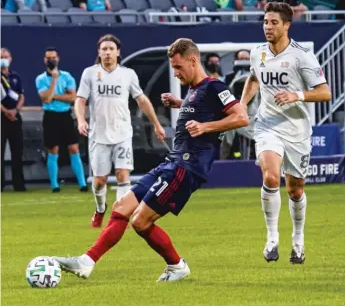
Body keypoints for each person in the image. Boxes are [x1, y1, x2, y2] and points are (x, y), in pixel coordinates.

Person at [52, 38, 249, 282]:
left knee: (140, 221)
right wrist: (180, 103)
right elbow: (201, 110)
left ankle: (176, 266)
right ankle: (86, 261)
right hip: (172, 162)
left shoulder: (215, 87)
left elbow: (241, 117)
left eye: (178, 67)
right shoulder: (194, 91)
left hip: (187, 167)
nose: (175, 73)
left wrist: (205, 126)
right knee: (121, 207)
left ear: (193, 60)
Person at [241, 2, 331, 264]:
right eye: (265, 22)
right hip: (268, 125)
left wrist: (297, 95)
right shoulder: (257, 52)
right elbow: (254, 78)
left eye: (274, 23)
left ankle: (298, 240)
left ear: (287, 25)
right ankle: (271, 239)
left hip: (297, 131)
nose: (268, 27)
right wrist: (242, 104)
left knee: (295, 190)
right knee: (270, 177)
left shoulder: (301, 55)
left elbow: (325, 92)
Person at [74, 34, 165, 228]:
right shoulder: (89, 73)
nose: (107, 52)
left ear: (118, 52)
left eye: (111, 49)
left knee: (123, 175)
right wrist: (81, 120)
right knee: (100, 180)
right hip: (98, 135)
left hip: (123, 133)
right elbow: (80, 100)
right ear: (99, 52)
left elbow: (141, 99)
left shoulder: (128, 74)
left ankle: (119, 218)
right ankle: (100, 209)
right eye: (104, 49)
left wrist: (156, 124)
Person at [35, 47, 87, 193]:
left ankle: (82, 183)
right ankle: (54, 185)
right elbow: (45, 98)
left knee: (74, 148)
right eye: (48, 58)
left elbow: (72, 97)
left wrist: (54, 96)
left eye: (53, 57)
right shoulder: (41, 79)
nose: (51, 60)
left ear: (58, 58)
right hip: (50, 116)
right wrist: (54, 80)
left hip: (65, 115)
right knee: (53, 150)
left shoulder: (67, 76)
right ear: (44, 60)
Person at [1, 47, 26, 192]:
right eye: (1, 57)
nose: (3, 59)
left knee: (17, 151)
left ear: (10, 58)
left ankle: (19, 184)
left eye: (5, 56)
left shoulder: (15, 76)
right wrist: (6, 111)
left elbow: (21, 95)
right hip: (1, 117)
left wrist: (15, 110)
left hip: (15, 117)